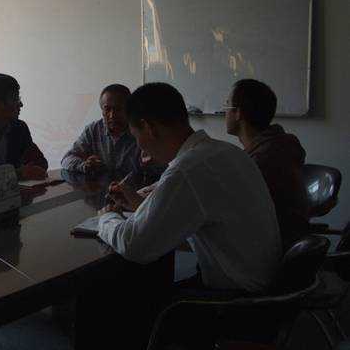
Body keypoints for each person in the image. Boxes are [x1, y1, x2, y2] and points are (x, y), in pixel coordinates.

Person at [100, 82, 283, 293]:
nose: (139, 146)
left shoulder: (187, 169)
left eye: (135, 136)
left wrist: (107, 218)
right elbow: (184, 221)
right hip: (266, 286)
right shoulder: (225, 152)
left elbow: (134, 246)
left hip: (237, 299)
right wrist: (141, 205)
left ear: (149, 128)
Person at [225, 79, 310, 249]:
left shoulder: (261, 161)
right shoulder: (281, 145)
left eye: (227, 105)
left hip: (267, 252)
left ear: (238, 113)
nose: (223, 112)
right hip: (284, 244)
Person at [61, 84, 149, 181]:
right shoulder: (93, 130)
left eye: (118, 109)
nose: (112, 115)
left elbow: (157, 171)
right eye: (107, 109)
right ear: (102, 111)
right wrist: (84, 165)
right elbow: (67, 158)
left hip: (135, 188)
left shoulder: (142, 130)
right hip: (100, 188)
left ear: (129, 109)